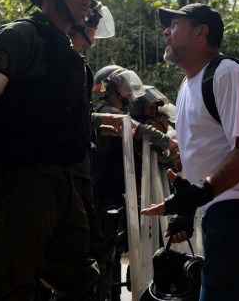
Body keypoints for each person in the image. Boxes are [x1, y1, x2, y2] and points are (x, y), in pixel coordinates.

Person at [0, 0, 108, 300]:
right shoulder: (18, 38)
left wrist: (80, 195)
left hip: (66, 187)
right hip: (20, 181)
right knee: (9, 284)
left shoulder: (75, 59)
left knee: (80, 282)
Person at [141, 3, 239, 300]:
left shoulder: (228, 74)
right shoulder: (187, 84)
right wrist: (189, 208)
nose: (166, 32)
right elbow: (207, 152)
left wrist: (199, 194)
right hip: (219, 206)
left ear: (201, 32)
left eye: (175, 25)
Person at [92, 66, 178, 301]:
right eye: (124, 85)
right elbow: (133, 126)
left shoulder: (121, 115)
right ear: (109, 88)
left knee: (112, 255)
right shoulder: (105, 111)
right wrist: (164, 141)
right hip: (101, 193)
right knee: (103, 256)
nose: (130, 91)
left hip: (114, 193)